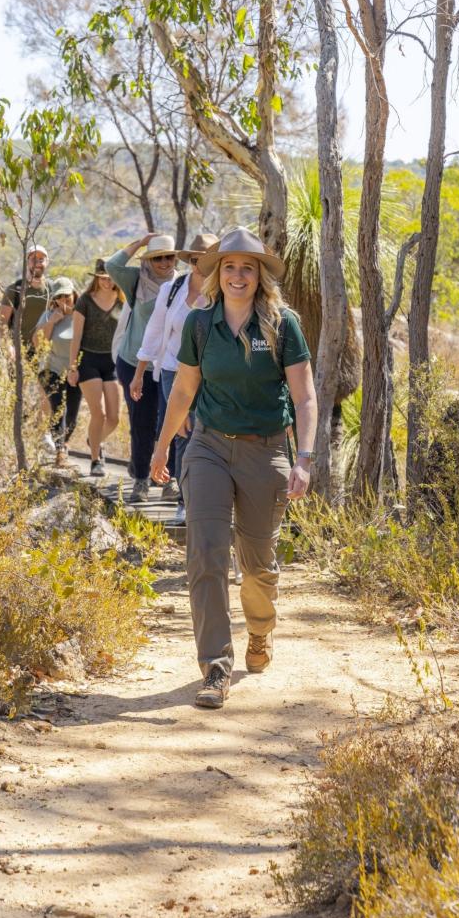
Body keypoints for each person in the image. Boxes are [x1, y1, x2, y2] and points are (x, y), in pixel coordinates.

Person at [151, 227, 318, 710]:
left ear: (260, 275)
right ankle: (215, 667)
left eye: (247, 267)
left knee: (257, 565)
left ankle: (261, 630)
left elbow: (305, 397)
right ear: (217, 274)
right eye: (229, 267)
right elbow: (184, 390)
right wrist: (162, 448)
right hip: (206, 447)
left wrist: (304, 459)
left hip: (265, 451)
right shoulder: (200, 324)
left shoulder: (283, 325)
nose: (238, 275)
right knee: (205, 554)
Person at [130, 233, 218, 524]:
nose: (200, 264)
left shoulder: (222, 292)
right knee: (183, 431)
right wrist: (140, 373)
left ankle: (210, 498)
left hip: (211, 373)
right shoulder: (172, 289)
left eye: (207, 259)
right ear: (190, 260)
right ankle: (184, 502)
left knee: (209, 433)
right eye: (196, 259)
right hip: (173, 369)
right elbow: (155, 331)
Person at [106, 233, 177, 503]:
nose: (164, 262)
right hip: (134, 363)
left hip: (168, 365)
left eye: (169, 257)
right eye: (157, 258)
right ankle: (141, 480)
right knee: (141, 423)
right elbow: (112, 266)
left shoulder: (181, 284)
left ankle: (170, 480)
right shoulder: (137, 280)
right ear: (148, 260)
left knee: (170, 423)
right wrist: (140, 242)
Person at [68, 259, 123, 477]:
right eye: (103, 278)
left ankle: (94, 440)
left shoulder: (122, 301)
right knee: (98, 414)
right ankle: (95, 460)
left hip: (112, 361)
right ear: (96, 279)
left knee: (114, 418)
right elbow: (76, 336)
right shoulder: (85, 301)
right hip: (88, 360)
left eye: (111, 278)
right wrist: (73, 367)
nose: (107, 282)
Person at [0, 243, 55, 451]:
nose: (37, 262)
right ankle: (17, 437)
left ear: (47, 262)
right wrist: (9, 348)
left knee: (46, 392)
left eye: (41, 258)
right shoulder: (15, 289)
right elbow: (2, 324)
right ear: (27, 262)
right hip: (19, 349)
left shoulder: (52, 290)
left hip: (44, 349)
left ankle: (43, 434)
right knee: (19, 395)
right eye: (33, 258)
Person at [33, 277, 82, 467]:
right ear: (54, 299)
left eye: (67, 295)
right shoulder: (48, 315)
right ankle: (60, 451)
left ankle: (64, 444)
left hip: (75, 370)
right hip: (51, 368)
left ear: (74, 294)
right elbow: (38, 343)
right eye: (59, 297)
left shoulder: (81, 315)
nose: (64, 300)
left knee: (72, 414)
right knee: (58, 409)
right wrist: (52, 322)